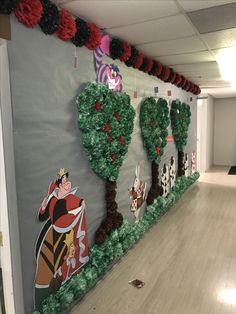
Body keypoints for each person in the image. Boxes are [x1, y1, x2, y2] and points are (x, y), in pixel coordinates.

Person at [34, 169, 89, 307]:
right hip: (55, 234)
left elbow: (75, 201)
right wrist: (43, 206)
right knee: (54, 260)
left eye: (67, 180)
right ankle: (55, 286)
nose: (68, 183)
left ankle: (66, 280)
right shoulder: (53, 199)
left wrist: (81, 203)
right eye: (64, 182)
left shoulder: (69, 198)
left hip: (67, 235)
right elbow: (42, 216)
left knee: (68, 257)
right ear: (59, 186)